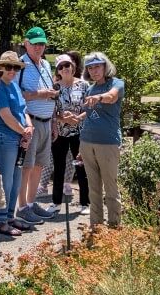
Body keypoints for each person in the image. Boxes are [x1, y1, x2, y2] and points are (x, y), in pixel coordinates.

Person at [16, 26, 57, 224]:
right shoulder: (20, 65)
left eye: (42, 44)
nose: (39, 47)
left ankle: (31, 204)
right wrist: (40, 95)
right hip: (30, 122)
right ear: (26, 43)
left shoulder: (46, 65)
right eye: (35, 44)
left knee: (39, 165)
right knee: (27, 166)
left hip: (47, 121)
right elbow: (14, 95)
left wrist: (54, 120)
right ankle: (22, 206)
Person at [78, 52, 125, 227]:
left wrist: (99, 97)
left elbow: (111, 97)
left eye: (97, 66)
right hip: (87, 142)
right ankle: (96, 227)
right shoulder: (90, 89)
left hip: (108, 143)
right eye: (90, 68)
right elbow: (92, 112)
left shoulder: (117, 84)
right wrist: (77, 118)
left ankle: (114, 227)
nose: (94, 71)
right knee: (94, 189)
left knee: (111, 188)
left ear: (105, 66)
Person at [0, 51, 34, 236]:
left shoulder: (15, 86)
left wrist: (29, 126)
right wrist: (23, 131)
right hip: (5, 138)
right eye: (8, 67)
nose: (11, 71)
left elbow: (24, 110)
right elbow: (5, 115)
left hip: (19, 137)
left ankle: (10, 217)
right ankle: (0, 220)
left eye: (15, 67)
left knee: (16, 180)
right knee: (6, 181)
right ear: (0, 68)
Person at [50, 53, 90, 214]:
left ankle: (85, 203)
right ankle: (56, 202)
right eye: (61, 67)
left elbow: (89, 107)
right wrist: (62, 118)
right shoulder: (54, 87)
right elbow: (51, 111)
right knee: (58, 167)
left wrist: (77, 118)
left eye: (67, 66)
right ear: (58, 70)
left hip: (80, 132)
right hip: (60, 132)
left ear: (73, 67)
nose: (65, 69)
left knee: (81, 166)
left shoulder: (84, 85)